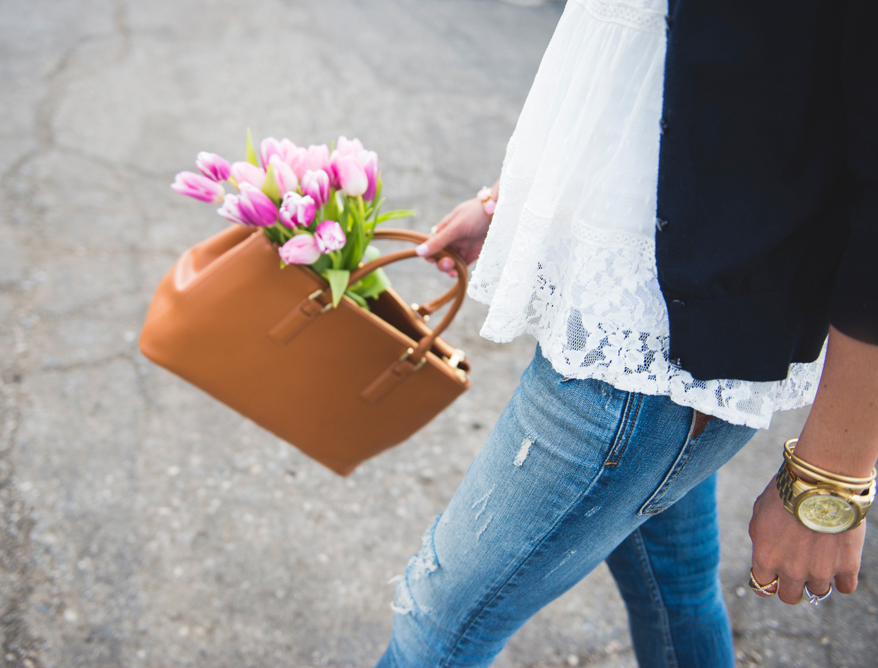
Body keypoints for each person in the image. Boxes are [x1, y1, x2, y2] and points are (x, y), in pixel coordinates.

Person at [374, 0, 877, 666]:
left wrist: (830, 481)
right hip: (626, 313)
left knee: (438, 623)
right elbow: (646, 57)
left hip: (649, 364)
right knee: (678, 597)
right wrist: (516, 199)